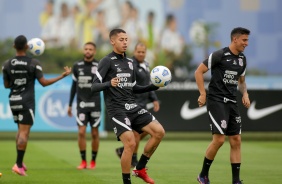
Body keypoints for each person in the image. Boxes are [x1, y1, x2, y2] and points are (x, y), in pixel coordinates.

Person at [91, 29, 165, 184]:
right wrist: (108, 83)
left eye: (126, 39)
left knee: (159, 132)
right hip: (116, 109)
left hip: (132, 105)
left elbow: (133, 87)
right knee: (130, 143)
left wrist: (154, 86)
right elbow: (94, 86)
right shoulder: (107, 61)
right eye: (121, 39)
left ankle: (140, 168)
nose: (125, 42)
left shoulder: (130, 62)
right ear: (112, 41)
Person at [2, 35, 71, 176]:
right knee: (24, 133)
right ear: (27, 47)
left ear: (14, 46)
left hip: (13, 100)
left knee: (19, 130)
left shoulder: (7, 64)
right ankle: (18, 165)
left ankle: (19, 161)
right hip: (26, 101)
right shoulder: (34, 63)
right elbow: (44, 83)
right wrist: (62, 76)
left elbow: (6, 85)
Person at [194, 27, 251, 184]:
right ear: (235, 39)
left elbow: (242, 81)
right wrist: (202, 94)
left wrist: (245, 94)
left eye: (247, 40)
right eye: (244, 40)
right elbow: (199, 72)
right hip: (216, 101)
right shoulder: (219, 55)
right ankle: (203, 175)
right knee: (219, 140)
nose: (247, 43)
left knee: (236, 140)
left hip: (232, 102)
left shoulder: (242, 59)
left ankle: (236, 181)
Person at [115, 43, 160, 168]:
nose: (141, 54)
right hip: (132, 103)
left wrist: (154, 99)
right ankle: (133, 160)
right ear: (134, 52)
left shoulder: (146, 64)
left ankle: (122, 150)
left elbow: (147, 83)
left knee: (145, 132)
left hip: (143, 102)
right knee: (136, 133)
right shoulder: (131, 65)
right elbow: (132, 85)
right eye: (138, 52)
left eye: (143, 52)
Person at [67, 42, 101, 170]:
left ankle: (93, 160)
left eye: (90, 49)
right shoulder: (77, 65)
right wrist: (70, 104)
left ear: (94, 51)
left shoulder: (99, 66)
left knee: (94, 133)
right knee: (81, 132)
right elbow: (73, 87)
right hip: (81, 104)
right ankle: (83, 161)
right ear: (83, 50)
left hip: (95, 104)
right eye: (86, 49)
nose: (88, 51)